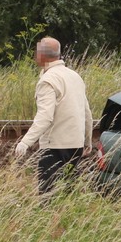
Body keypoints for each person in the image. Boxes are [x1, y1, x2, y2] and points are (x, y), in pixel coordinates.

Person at [15, 37, 94, 194]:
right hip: (75, 145)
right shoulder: (75, 76)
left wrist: (25, 142)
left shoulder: (48, 80)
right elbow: (86, 113)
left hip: (54, 146)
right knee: (69, 195)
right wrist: (87, 141)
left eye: (36, 51)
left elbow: (45, 116)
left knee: (48, 195)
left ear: (42, 56)